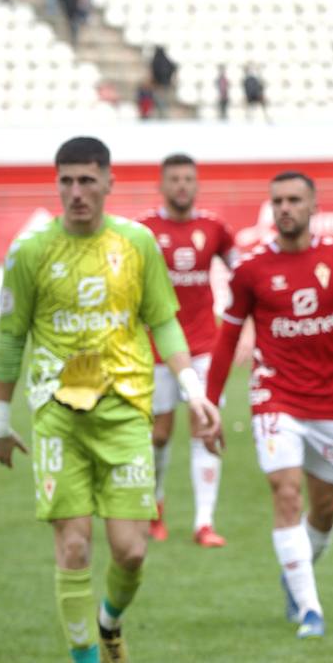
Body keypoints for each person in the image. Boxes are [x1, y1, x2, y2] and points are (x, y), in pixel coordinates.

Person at [0, 136, 222, 663]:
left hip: (124, 411)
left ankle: (110, 623)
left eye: (87, 180)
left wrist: (194, 392)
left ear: (109, 182)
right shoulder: (31, 250)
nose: (76, 193)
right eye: (66, 181)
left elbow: (164, 323)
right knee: (72, 546)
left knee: (131, 551)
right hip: (56, 415)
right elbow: (13, 336)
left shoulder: (137, 243)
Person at [204, 172, 333, 638]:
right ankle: (311, 610)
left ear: (314, 205)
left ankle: (296, 571)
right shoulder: (250, 270)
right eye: (278, 201)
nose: (285, 208)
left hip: (328, 405)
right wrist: (209, 405)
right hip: (275, 397)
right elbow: (228, 339)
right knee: (286, 492)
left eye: (294, 200)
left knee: (325, 508)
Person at [138, 154, 237, 546]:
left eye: (188, 179)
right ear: (161, 185)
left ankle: (204, 523)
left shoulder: (214, 228)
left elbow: (242, 273)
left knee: (204, 428)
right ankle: (155, 506)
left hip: (204, 347)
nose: (182, 185)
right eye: (174, 179)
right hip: (156, 349)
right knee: (159, 434)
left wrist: (241, 326)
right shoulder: (143, 230)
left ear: (196, 184)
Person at [150, 47, 177, 119]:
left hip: (158, 85)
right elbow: (174, 67)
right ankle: (164, 115)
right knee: (164, 101)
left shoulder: (156, 61)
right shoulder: (167, 60)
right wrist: (170, 78)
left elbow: (153, 73)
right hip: (166, 85)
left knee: (159, 101)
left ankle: (162, 116)